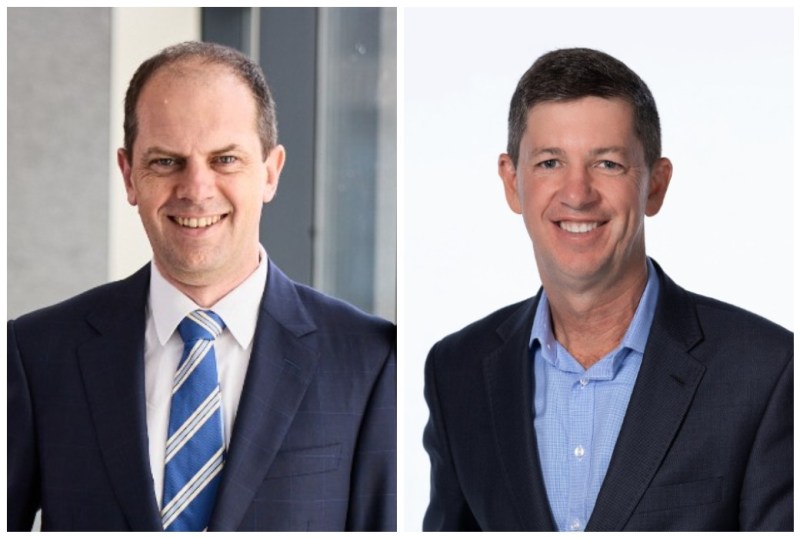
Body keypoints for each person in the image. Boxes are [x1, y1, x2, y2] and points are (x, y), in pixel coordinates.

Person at [8, 41, 396, 532]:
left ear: (270, 172)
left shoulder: (370, 359)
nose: (196, 189)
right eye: (166, 161)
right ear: (129, 175)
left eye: (225, 159)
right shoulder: (37, 353)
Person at [422, 48, 792, 531]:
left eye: (608, 164)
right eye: (551, 162)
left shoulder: (766, 371)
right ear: (512, 183)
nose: (577, 193)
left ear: (655, 186)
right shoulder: (457, 372)